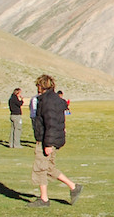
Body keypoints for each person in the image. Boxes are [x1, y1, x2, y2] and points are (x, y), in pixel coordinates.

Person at [31, 74, 80, 207]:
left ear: (41, 86)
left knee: (40, 168)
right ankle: (73, 186)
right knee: (49, 168)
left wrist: (48, 144)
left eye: (38, 86)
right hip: (54, 139)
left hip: (46, 140)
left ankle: (44, 199)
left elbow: (50, 123)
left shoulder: (47, 101)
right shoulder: (56, 100)